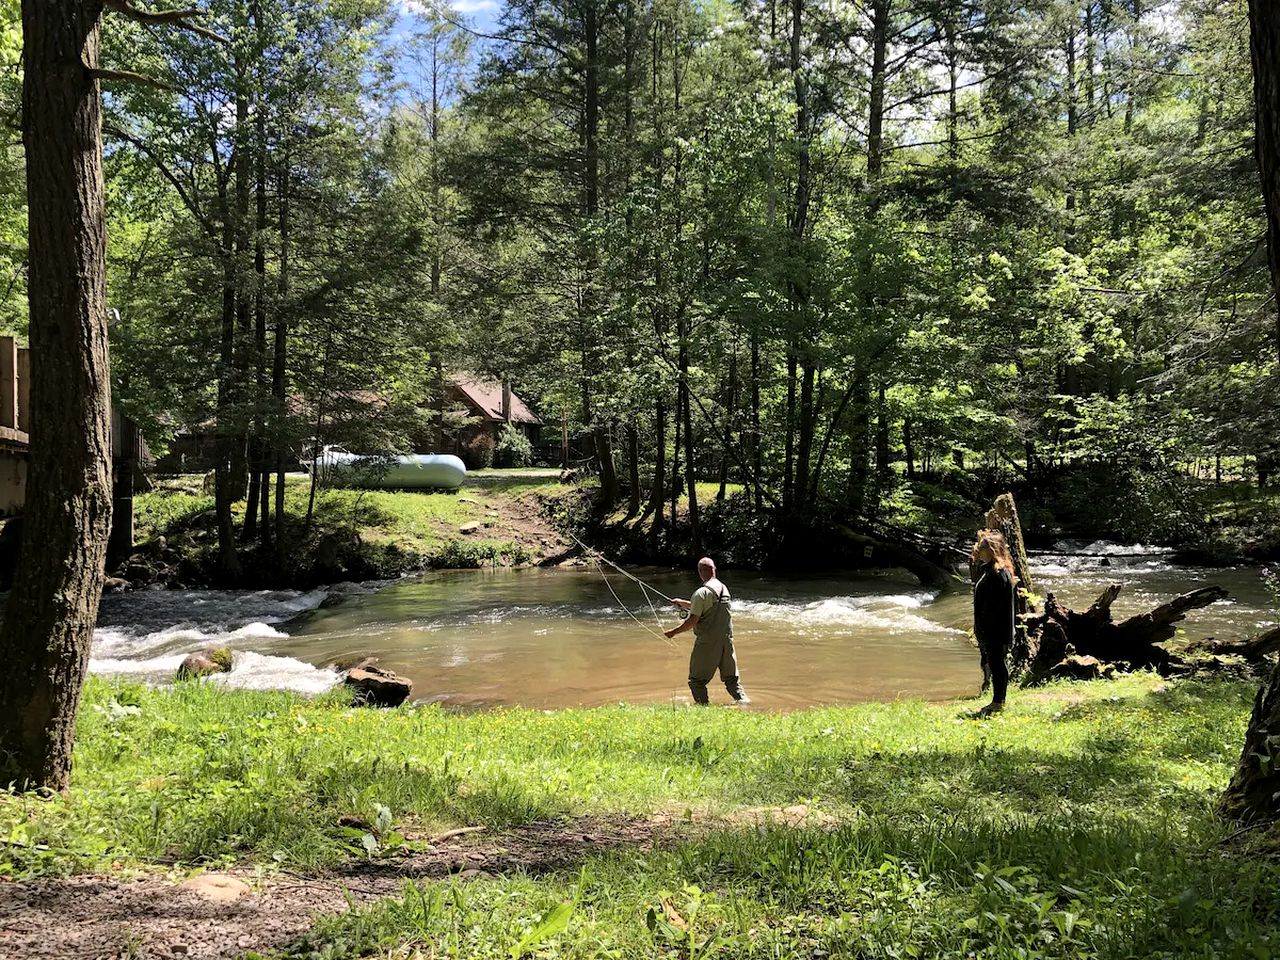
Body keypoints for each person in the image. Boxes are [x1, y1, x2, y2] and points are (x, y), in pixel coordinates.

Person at [665, 557, 749, 705]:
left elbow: (692, 621)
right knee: (731, 679)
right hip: (727, 640)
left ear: (700, 572)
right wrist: (684, 603)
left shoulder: (701, 593)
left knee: (696, 681)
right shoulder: (724, 588)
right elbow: (709, 606)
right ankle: (743, 702)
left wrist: (673, 632)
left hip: (707, 642)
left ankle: (702, 706)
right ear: (714, 569)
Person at [971, 529, 1017, 717]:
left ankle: (998, 702)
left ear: (992, 549)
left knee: (997, 664)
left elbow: (996, 609)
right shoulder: (991, 571)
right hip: (991, 630)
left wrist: (985, 630)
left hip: (995, 631)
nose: (978, 550)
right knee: (996, 663)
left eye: (982, 547)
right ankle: (997, 700)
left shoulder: (998, 574)